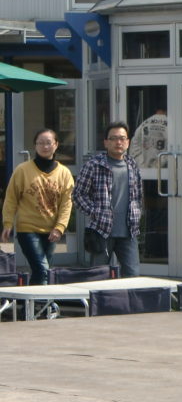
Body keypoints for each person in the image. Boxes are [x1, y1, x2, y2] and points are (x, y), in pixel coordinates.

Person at [1, 128, 75, 284]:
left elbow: (66, 203)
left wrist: (60, 227)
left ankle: (32, 306)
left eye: (48, 143)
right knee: (43, 269)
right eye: (40, 143)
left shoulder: (64, 173)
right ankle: (40, 305)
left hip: (52, 230)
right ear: (35, 146)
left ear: (56, 145)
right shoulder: (23, 170)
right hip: (28, 229)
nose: (44, 146)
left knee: (42, 271)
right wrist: (7, 223)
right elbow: (11, 198)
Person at [72, 122, 143, 277]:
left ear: (128, 142)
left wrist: (137, 212)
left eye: (122, 138)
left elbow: (138, 196)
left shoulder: (132, 165)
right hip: (102, 230)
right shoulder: (93, 165)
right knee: (98, 276)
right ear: (106, 142)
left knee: (133, 275)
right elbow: (78, 195)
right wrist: (95, 211)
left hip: (129, 231)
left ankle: (126, 302)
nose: (119, 142)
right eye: (114, 138)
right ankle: (99, 302)